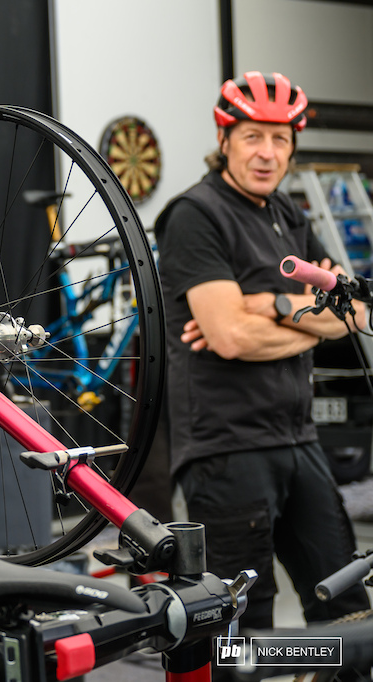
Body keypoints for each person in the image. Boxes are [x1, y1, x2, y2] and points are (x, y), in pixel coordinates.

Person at [155, 70, 370, 633]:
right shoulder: (195, 214)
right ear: (224, 139)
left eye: (280, 139)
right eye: (253, 136)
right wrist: (305, 314)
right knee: (244, 631)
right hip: (227, 450)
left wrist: (268, 304)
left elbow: (354, 311)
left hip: (299, 439)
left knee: (348, 611)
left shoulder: (288, 215)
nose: (267, 153)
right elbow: (228, 337)